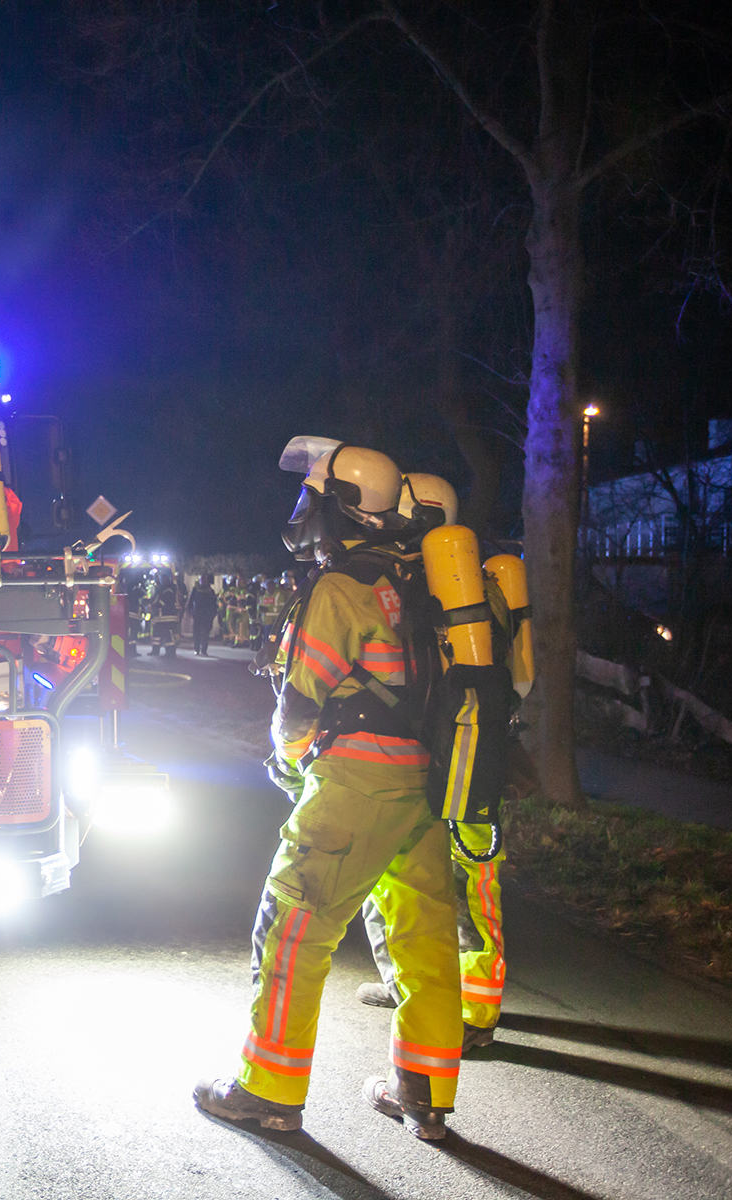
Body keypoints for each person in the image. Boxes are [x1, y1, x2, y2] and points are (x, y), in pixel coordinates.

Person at [194, 437, 462, 1141]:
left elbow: (299, 704)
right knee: (424, 939)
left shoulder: (342, 587)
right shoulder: (423, 579)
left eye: (311, 498)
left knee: (293, 924)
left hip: (355, 785)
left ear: (341, 507)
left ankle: (268, 1090)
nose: (303, 512)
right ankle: (424, 1095)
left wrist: (287, 761)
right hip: (425, 786)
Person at [356, 472, 517, 1055]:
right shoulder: (476, 587)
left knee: (436, 881)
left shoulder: (424, 585)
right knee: (457, 878)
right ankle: (443, 993)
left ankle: (458, 1007)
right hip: (468, 751)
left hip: (445, 755)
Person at [187, 575, 219, 657]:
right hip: (197, 615)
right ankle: (196, 649)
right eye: (202, 579)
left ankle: (204, 650)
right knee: (197, 633)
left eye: (204, 579)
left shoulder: (210, 591)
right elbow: (191, 601)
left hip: (207, 615)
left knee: (206, 633)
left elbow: (214, 603)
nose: (203, 581)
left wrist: (213, 613)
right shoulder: (196, 590)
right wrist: (189, 611)